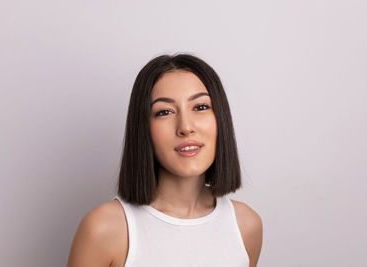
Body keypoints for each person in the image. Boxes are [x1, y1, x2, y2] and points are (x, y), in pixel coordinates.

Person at [67, 53, 263, 267]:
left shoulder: (245, 226)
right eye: (165, 112)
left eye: (200, 107)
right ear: (144, 129)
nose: (186, 127)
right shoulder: (105, 229)